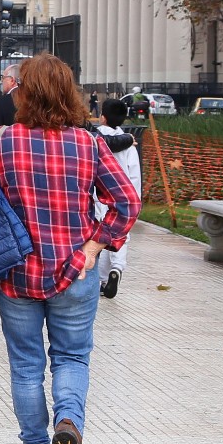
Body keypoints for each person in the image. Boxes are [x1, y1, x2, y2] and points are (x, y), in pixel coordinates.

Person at [0, 54, 138, 444]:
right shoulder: (89, 143)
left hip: (17, 271)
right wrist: (95, 247)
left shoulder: (2, 140)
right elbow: (127, 202)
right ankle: (69, 424)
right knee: (73, 358)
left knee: (25, 366)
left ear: (24, 91)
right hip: (75, 269)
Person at [90, 99, 139, 299]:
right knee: (121, 234)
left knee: (101, 233)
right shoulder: (129, 144)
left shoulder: (94, 139)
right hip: (122, 196)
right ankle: (117, 268)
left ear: (102, 116)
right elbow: (134, 175)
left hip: (98, 194)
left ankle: (102, 279)